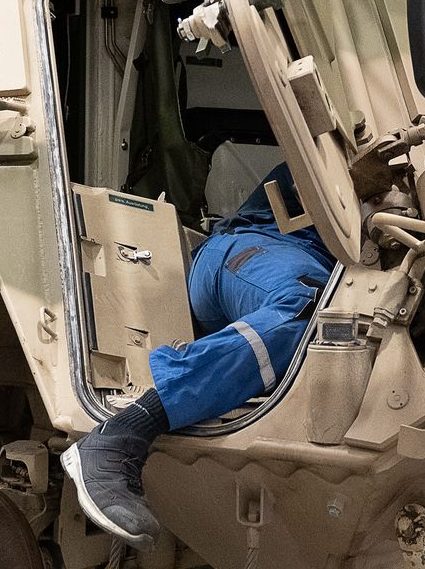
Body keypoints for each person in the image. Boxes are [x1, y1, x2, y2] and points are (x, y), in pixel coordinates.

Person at [61, 163, 333, 546]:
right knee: (313, 311)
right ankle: (121, 434)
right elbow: (349, 180)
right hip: (249, 251)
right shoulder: (356, 141)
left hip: (314, 273)